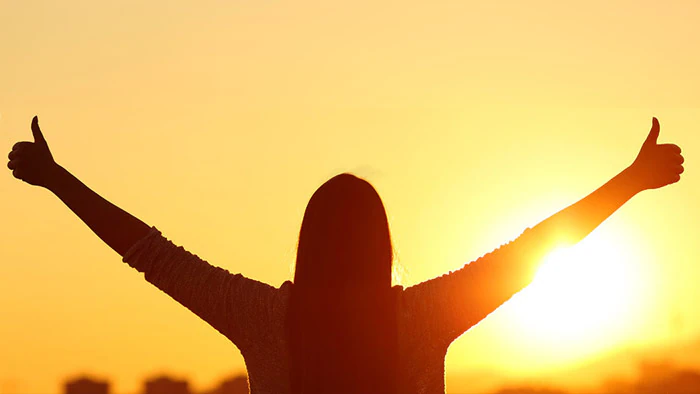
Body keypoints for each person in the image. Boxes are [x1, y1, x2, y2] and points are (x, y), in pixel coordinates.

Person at [7, 116, 684, 394]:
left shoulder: (263, 317)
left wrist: (57, 178)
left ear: (307, 245)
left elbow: (151, 253)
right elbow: (532, 253)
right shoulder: (420, 318)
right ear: (384, 247)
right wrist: (631, 180)